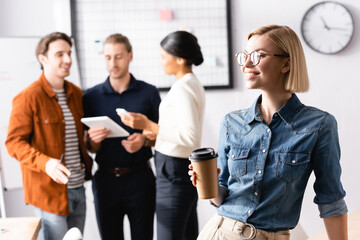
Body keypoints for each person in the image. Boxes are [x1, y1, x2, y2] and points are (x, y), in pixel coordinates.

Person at [189, 24, 348, 240]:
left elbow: (331, 200)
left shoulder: (319, 125)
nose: (246, 64)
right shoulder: (231, 122)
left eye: (258, 56)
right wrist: (205, 184)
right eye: (244, 56)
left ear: (286, 63)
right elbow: (222, 195)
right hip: (220, 233)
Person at [5, 32, 93, 240]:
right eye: (60, 54)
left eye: (69, 53)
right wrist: (46, 163)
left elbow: (77, 140)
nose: (68, 60)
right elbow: (13, 143)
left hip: (78, 187)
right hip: (48, 192)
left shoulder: (76, 93)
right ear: (42, 59)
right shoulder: (28, 97)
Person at [120, 30, 205, 240]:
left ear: (179, 59)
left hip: (174, 171)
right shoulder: (192, 83)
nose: (160, 61)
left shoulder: (183, 88)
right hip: (178, 168)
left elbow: (190, 137)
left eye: (163, 56)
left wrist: (148, 124)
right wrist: (152, 132)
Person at [82, 33, 161, 240]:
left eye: (118, 56)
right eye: (108, 57)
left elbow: (161, 136)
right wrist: (93, 140)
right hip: (105, 180)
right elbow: (90, 148)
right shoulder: (91, 96)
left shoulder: (149, 93)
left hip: (140, 179)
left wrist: (144, 140)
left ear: (130, 56)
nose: (113, 63)